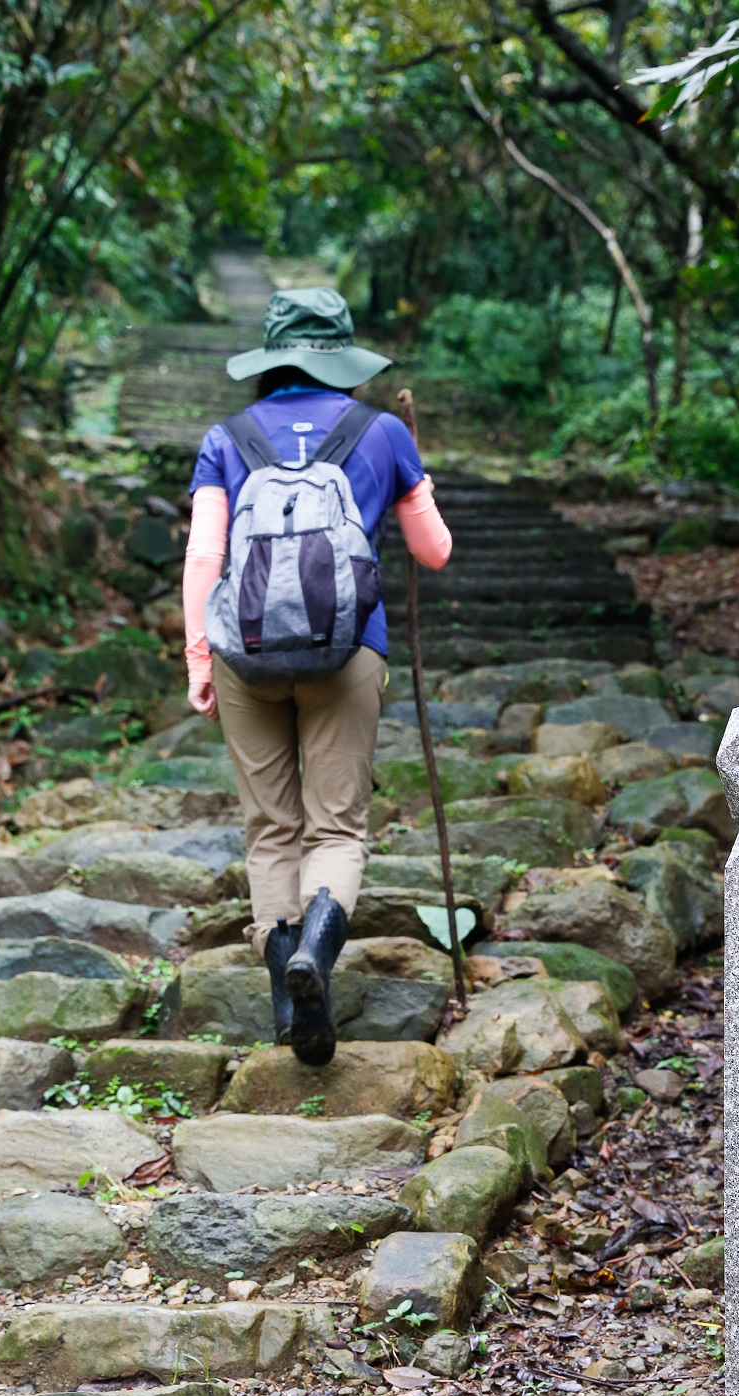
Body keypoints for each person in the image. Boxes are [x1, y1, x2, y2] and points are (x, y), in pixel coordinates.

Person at [182, 286, 452, 1064]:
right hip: (347, 650)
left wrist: (199, 658)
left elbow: (205, 557)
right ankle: (316, 957)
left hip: (244, 651)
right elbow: (432, 552)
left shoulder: (226, 436)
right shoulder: (381, 431)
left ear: (271, 356)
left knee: (271, 828)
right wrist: (412, 468)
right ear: (341, 356)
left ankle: (286, 983)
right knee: (336, 826)